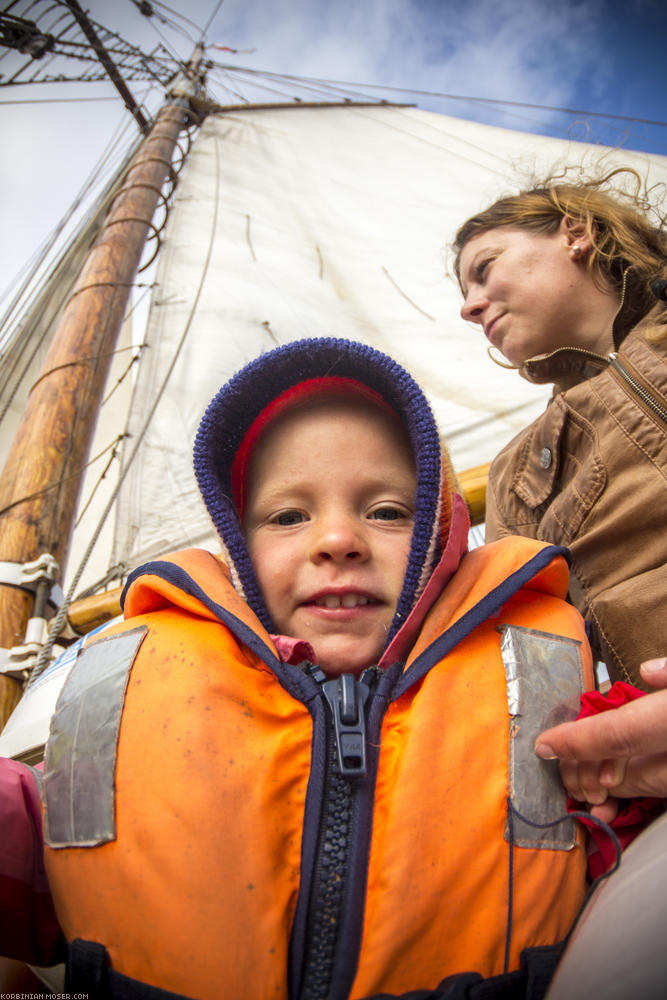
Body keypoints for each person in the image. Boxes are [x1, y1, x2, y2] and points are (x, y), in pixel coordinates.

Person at [1, 337, 598, 1000]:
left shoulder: (558, 685)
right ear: (238, 547)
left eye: (387, 512)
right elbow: (38, 840)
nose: (337, 541)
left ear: (441, 534)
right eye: (288, 516)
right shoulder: (129, 685)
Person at [453, 167, 667, 815]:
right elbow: (518, 666)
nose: (467, 306)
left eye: (485, 268)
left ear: (574, 233)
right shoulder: (512, 473)